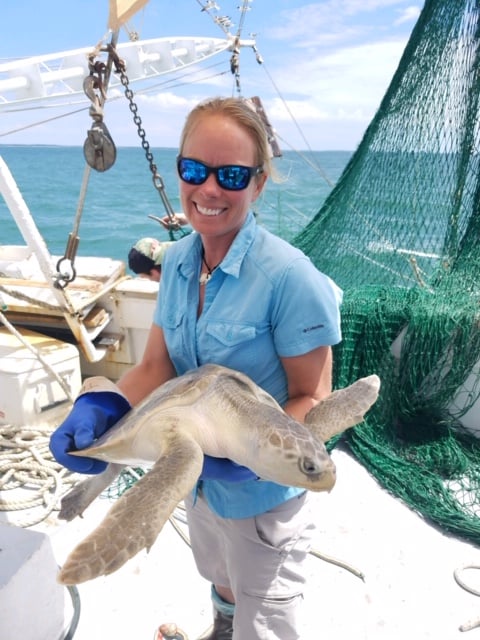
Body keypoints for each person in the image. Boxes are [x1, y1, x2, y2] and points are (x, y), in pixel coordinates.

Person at [50, 96, 342, 640]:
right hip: (196, 474)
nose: (209, 189)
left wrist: (254, 458)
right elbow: (157, 364)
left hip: (262, 491)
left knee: (268, 609)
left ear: (258, 183)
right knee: (222, 577)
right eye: (194, 169)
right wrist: (102, 404)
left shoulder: (292, 279)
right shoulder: (180, 259)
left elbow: (314, 396)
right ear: (178, 169)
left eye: (231, 175)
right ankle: (223, 628)